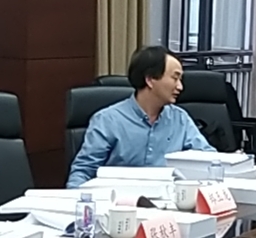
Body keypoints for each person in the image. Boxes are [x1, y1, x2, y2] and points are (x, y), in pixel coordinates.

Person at [67, 45, 214, 187]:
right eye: (175, 78)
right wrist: (75, 198)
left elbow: (209, 160)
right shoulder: (108, 120)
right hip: (119, 200)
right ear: (150, 80)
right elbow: (83, 171)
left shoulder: (180, 119)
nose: (180, 87)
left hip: (168, 199)